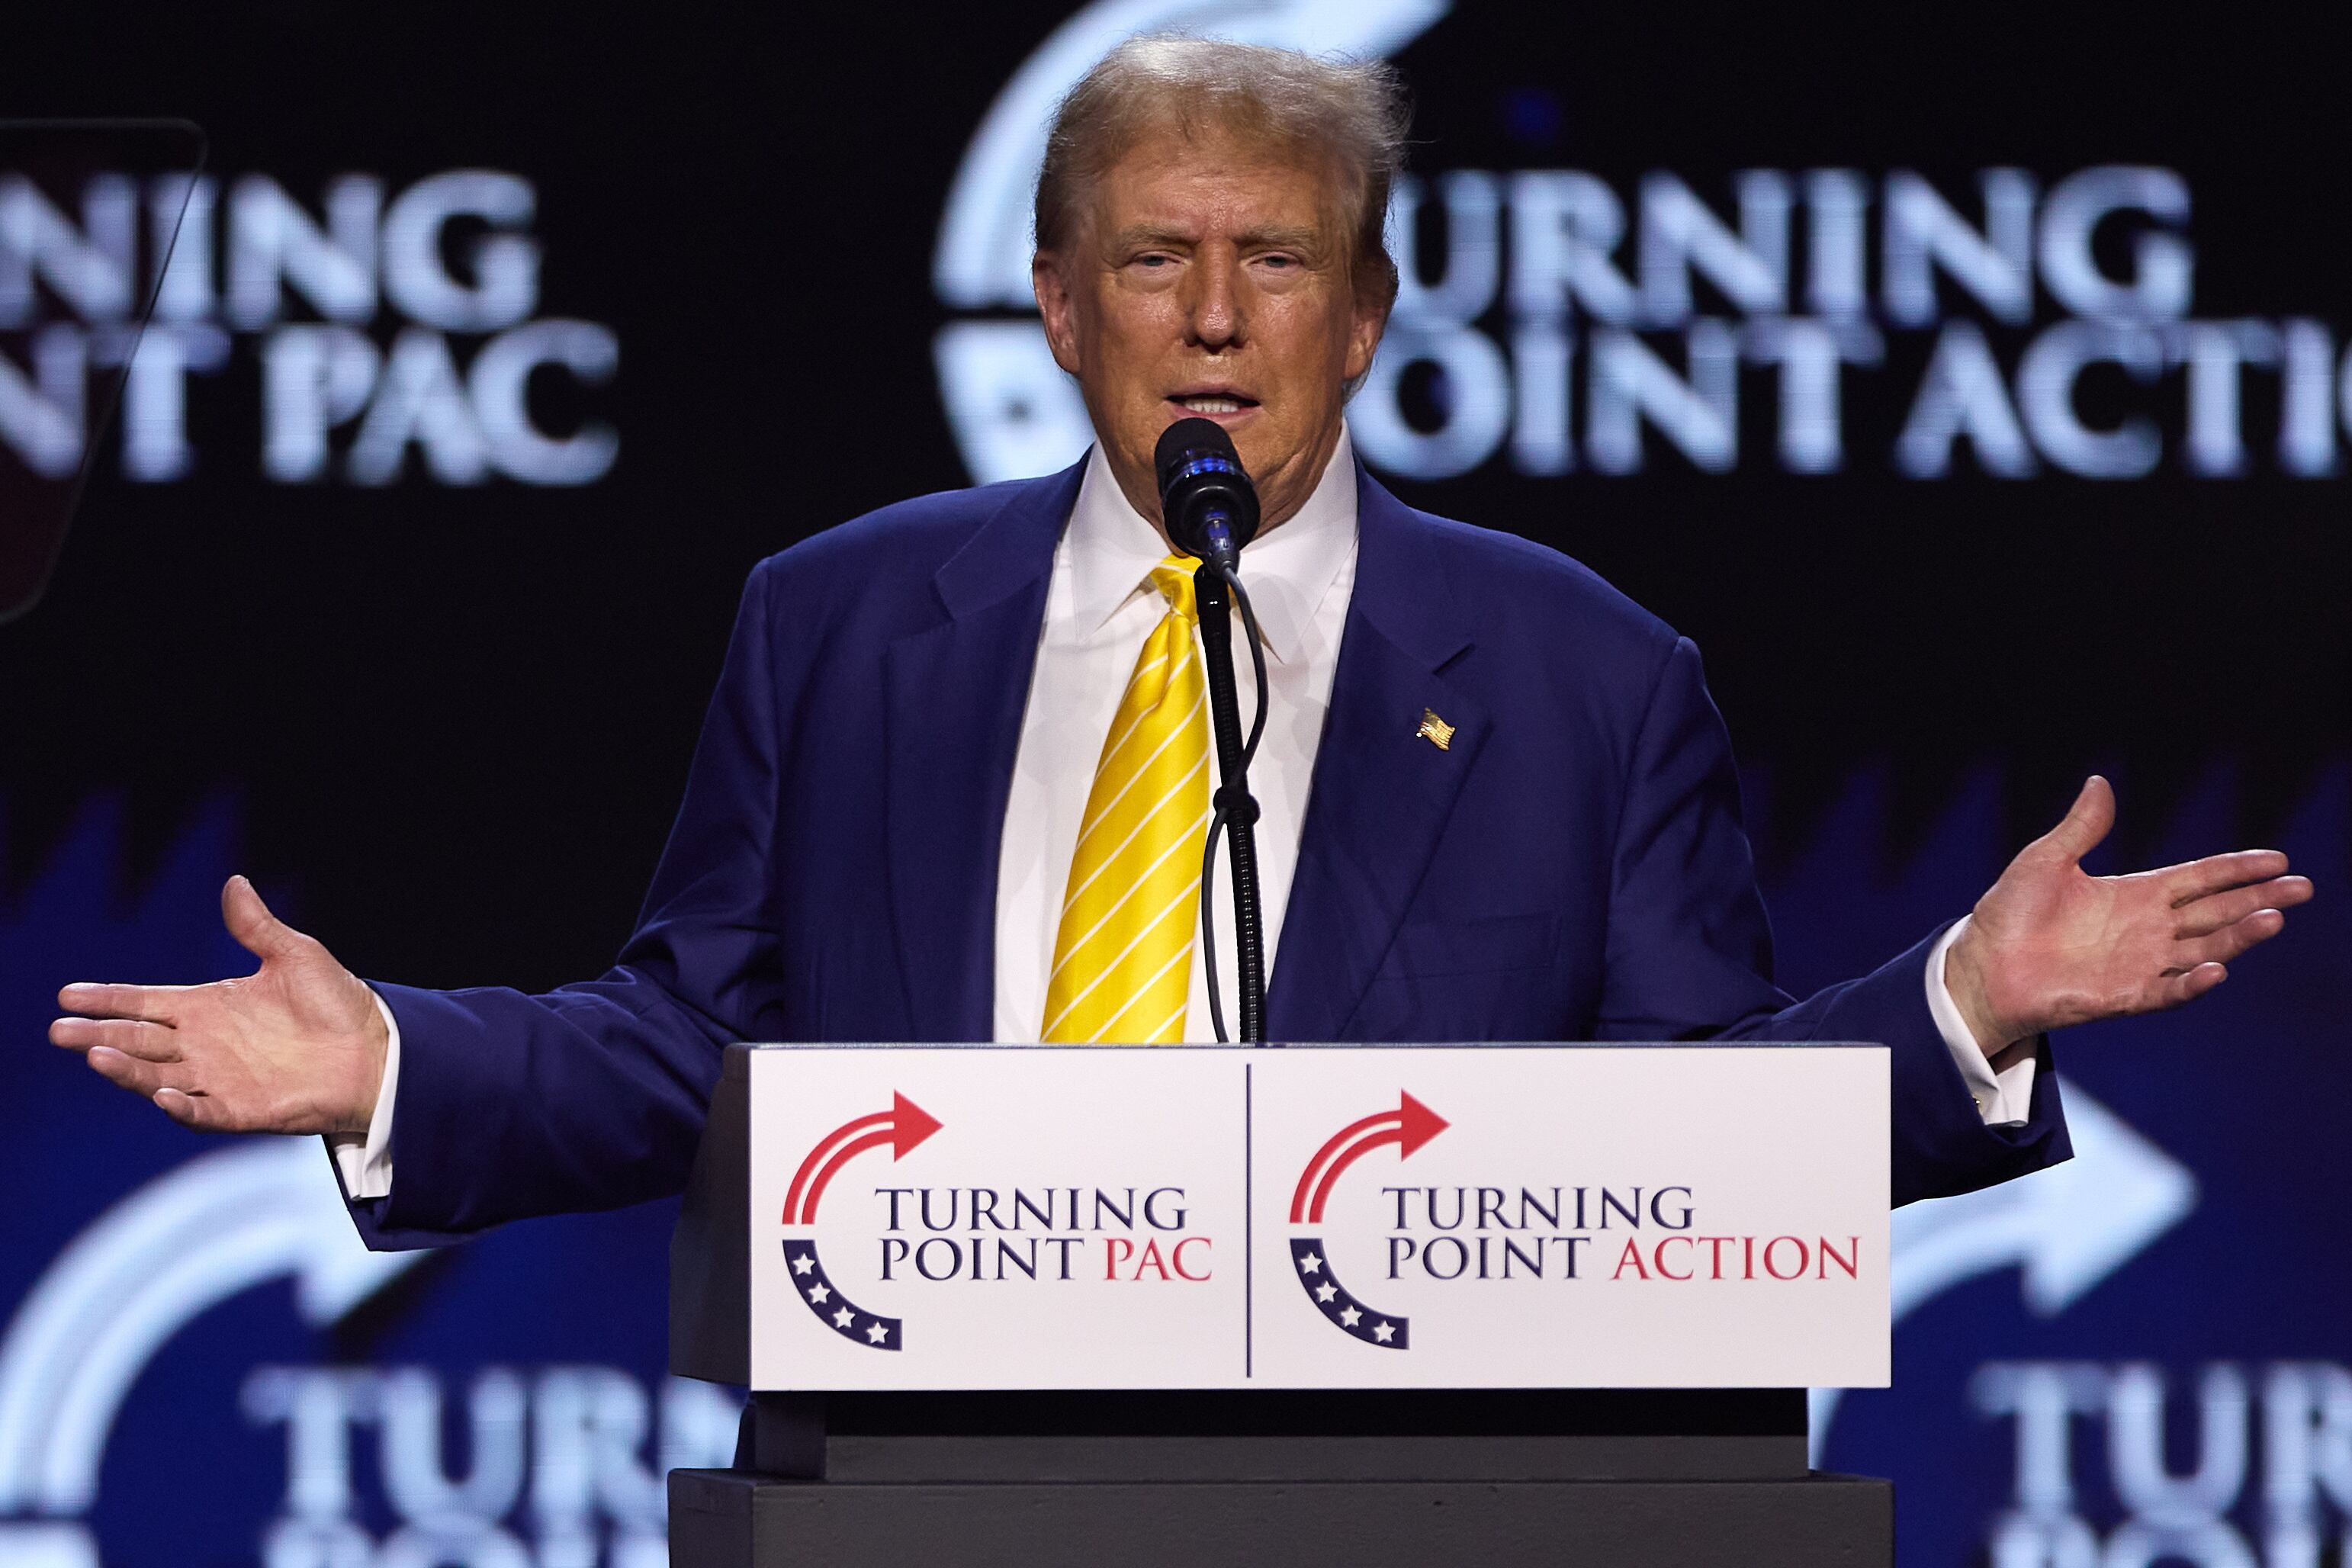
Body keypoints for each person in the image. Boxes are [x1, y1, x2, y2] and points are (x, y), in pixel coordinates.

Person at [52, 40, 2309, 1245]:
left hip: (1416, 1495)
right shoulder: (843, 622)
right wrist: (395, 1070)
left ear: (1368, 315)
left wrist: (1957, 1011)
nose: (1215, 319)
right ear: (1055, 307)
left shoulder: (1583, 670)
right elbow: (697, 1049)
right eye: (1150, 261)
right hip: (926, 1476)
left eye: (1276, 260)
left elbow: (1684, 1132)